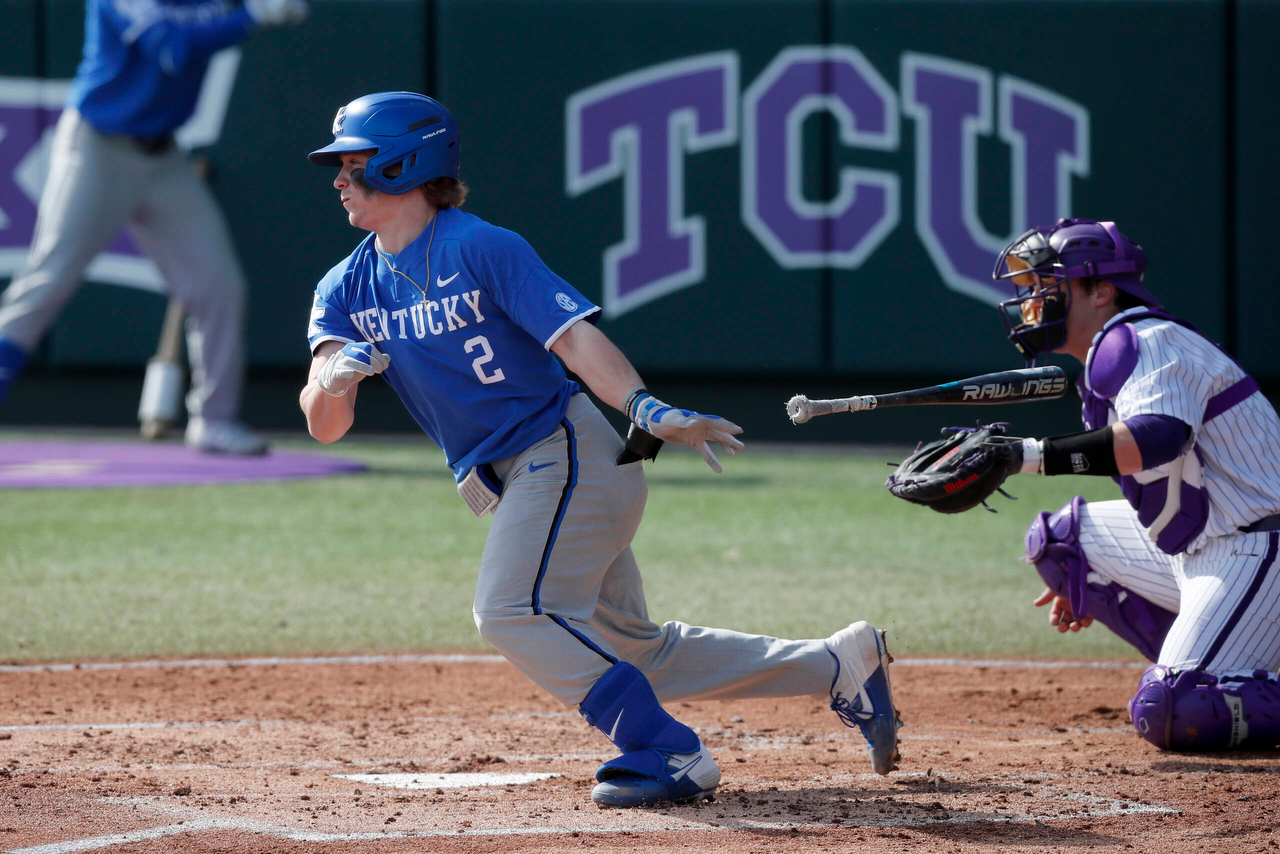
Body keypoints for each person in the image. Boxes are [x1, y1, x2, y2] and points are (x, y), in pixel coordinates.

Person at [299, 91, 902, 807]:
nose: (340, 178)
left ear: (407, 163)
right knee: (639, 651)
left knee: (508, 610)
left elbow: (576, 341)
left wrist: (645, 407)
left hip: (565, 455)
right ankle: (838, 664)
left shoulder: (480, 246)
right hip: (535, 478)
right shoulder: (344, 285)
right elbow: (323, 423)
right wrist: (334, 382)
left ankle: (669, 752)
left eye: (356, 162)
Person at [992, 218, 1280, 751]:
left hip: (1259, 548)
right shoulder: (1113, 354)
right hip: (1206, 545)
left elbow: (1157, 437)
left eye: (1046, 286)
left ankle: (1210, 677)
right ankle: (1217, 655)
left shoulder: (1150, 338)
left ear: (1101, 290)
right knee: (1063, 545)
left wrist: (1026, 456)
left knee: (1175, 708)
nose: (1033, 302)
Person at [0, 0, 309, 454]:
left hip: (164, 159)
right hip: (98, 148)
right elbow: (173, 51)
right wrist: (253, 18)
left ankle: (215, 421)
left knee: (219, 286)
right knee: (49, 280)